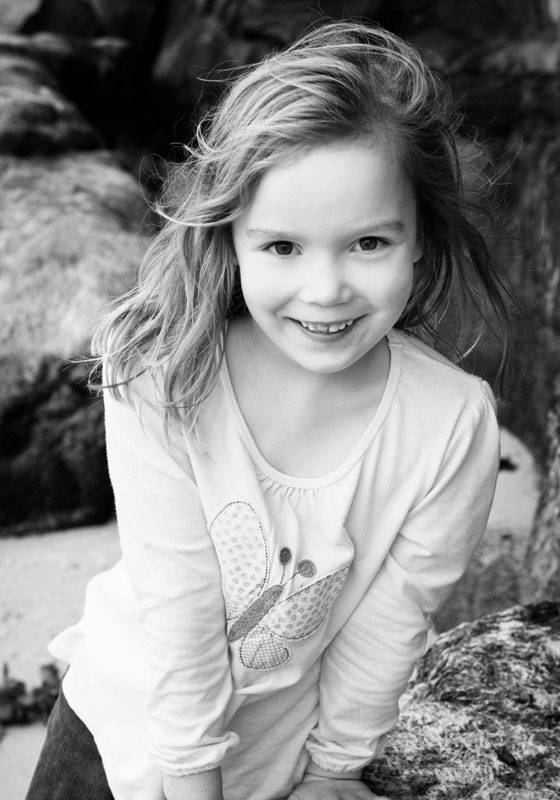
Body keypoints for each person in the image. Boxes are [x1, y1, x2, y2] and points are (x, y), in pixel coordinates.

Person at [27, 20, 510, 800]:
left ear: (420, 234)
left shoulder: (451, 423)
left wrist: (331, 774)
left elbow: (389, 626)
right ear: (231, 238)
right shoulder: (165, 370)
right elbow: (179, 615)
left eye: (368, 244)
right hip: (116, 734)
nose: (326, 291)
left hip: (276, 765)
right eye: (283, 247)